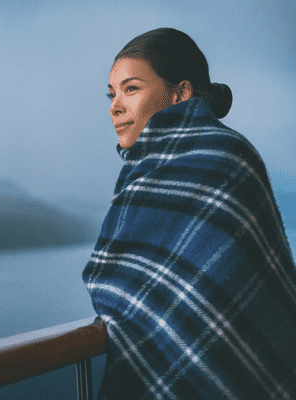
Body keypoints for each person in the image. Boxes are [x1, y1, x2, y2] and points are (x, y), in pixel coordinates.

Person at [82, 28, 296, 399]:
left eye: (131, 89)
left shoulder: (227, 157)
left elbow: (248, 283)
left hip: (236, 368)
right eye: (112, 93)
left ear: (180, 93)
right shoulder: (142, 174)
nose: (115, 106)